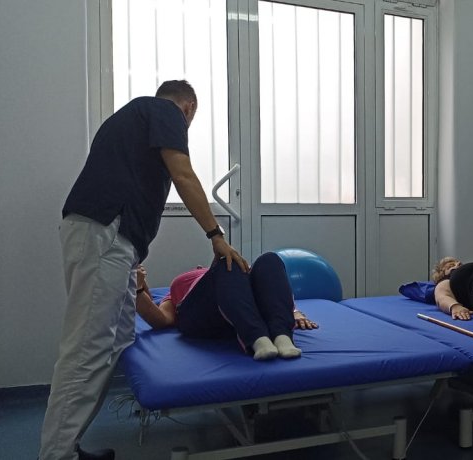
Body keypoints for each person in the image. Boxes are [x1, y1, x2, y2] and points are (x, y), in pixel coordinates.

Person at [41, 80, 248, 460]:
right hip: (105, 233)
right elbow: (183, 175)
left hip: (112, 239)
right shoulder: (164, 111)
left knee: (116, 339)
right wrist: (216, 235)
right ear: (188, 108)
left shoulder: (131, 122)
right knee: (87, 349)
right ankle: (56, 455)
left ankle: (67, 447)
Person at [135, 252, 318, 360]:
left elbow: (270, 288)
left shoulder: (238, 275)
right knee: (227, 263)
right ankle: (257, 339)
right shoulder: (181, 285)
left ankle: (282, 337)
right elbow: (162, 320)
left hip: (243, 307)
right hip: (202, 316)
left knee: (270, 259)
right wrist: (138, 288)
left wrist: (294, 311)